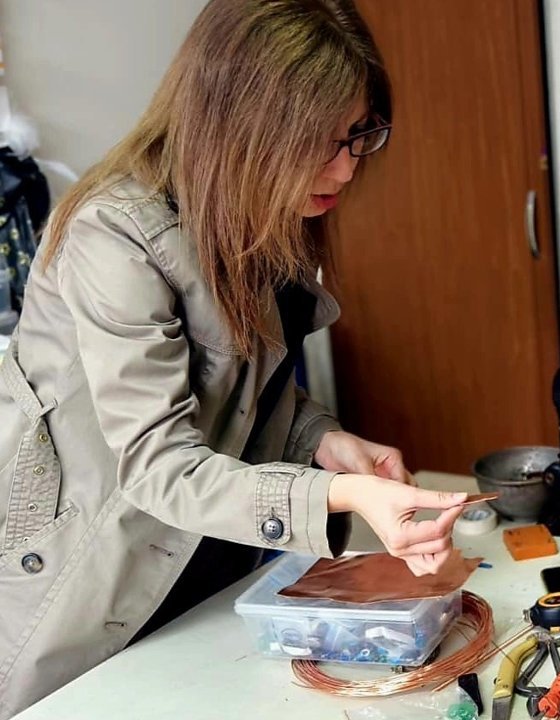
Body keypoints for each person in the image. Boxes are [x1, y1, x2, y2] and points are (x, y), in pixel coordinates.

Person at [0, 2, 470, 716]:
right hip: (86, 594)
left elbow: (240, 391)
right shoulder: (114, 236)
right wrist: (342, 496)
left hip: (207, 568)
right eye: (319, 141)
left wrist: (326, 443)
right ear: (240, 124)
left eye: (358, 135)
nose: (345, 168)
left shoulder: (258, 212)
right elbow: (160, 463)